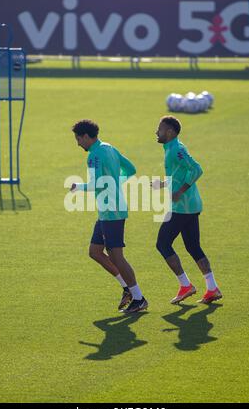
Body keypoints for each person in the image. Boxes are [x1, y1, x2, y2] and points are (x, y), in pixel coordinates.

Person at [71, 119, 148, 313]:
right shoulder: (110, 148)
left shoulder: (94, 155)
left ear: (86, 136)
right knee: (95, 251)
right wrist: (115, 182)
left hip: (111, 211)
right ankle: (127, 288)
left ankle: (139, 298)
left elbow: (97, 184)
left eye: (78, 139)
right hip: (108, 211)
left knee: (117, 256)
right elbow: (131, 169)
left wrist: (78, 187)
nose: (78, 143)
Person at [152, 115, 222, 304]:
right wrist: (163, 183)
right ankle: (212, 288)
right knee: (192, 246)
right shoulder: (171, 149)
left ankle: (186, 285)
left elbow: (197, 169)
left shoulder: (176, 149)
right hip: (189, 207)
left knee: (162, 244)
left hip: (182, 208)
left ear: (170, 132)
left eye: (160, 128)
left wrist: (180, 191)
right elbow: (180, 174)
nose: (156, 132)